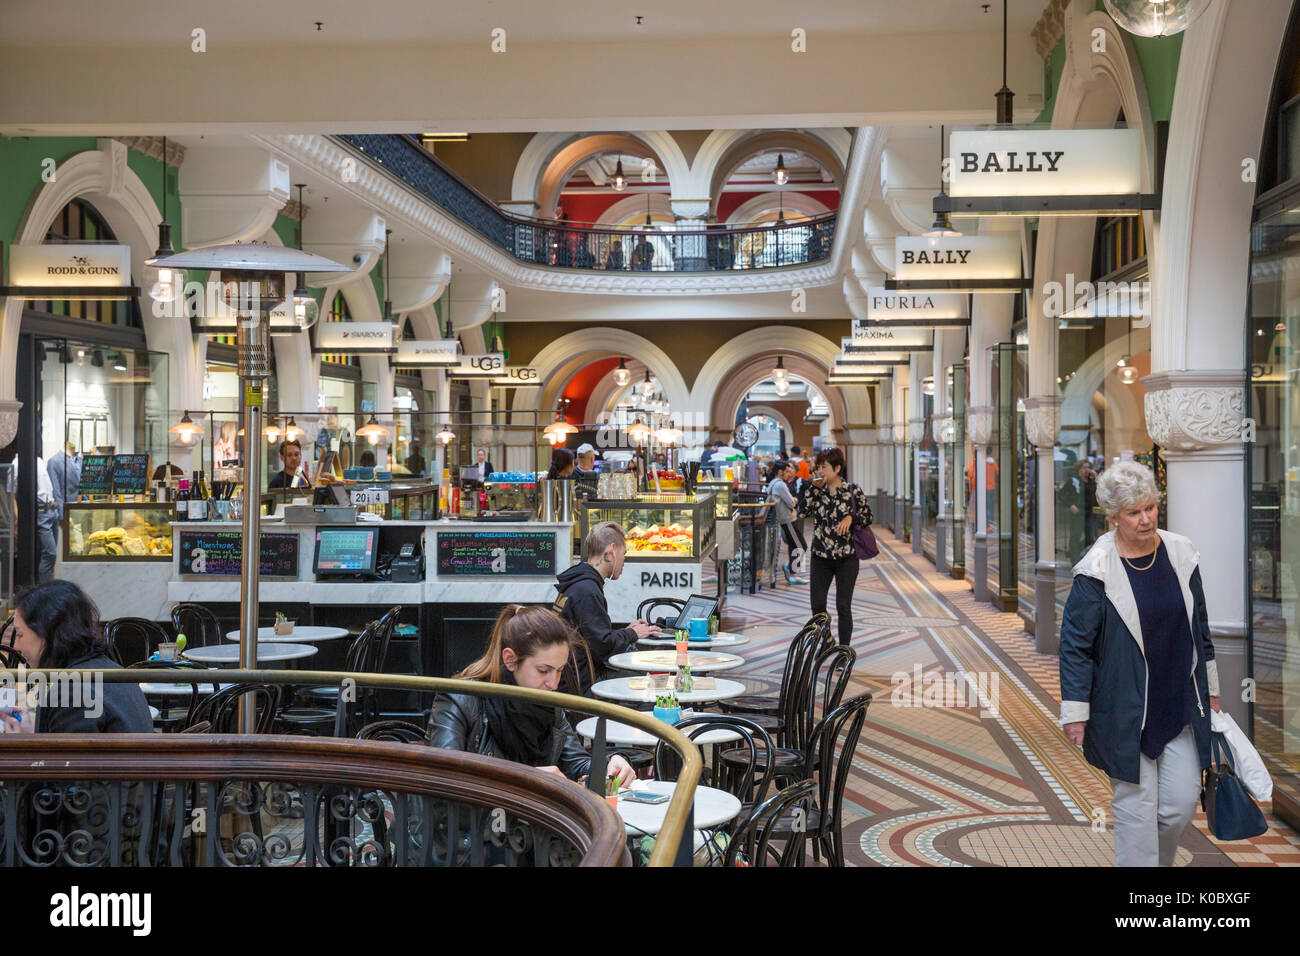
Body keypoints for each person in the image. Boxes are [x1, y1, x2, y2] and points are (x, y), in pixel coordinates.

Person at [1058, 461, 1219, 868]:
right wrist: (1076, 712)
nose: (1146, 519)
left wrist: (1211, 690)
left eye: (1150, 508)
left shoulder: (1181, 552)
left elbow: (1200, 626)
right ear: (1114, 518)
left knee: (1180, 804)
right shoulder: (1096, 571)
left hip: (1179, 703)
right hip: (1124, 710)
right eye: (1134, 512)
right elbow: (1076, 647)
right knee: (1135, 812)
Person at [429, 605, 635, 786]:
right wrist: (526, 779)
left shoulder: (548, 706)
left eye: (560, 670)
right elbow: (445, 779)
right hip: (469, 828)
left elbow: (576, 763)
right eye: (544, 670)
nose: (554, 683)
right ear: (510, 659)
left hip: (529, 827)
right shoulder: (459, 699)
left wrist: (610, 762)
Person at [0, 580, 153, 734]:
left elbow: (64, 758)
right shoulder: (112, 670)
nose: (15, 647)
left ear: (47, 633)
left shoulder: (73, 692)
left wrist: (23, 747)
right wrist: (30, 735)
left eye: (20, 634)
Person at [552, 521, 659, 695]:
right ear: (611, 552)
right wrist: (632, 634)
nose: (624, 561)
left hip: (569, 676)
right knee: (645, 684)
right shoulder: (587, 590)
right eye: (624, 553)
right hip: (581, 684)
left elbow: (593, 637)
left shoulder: (578, 583)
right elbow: (602, 648)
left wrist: (626, 631)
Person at [797, 447, 871, 646]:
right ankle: (827, 639)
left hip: (847, 558)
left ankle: (843, 652)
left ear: (837, 468)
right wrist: (813, 488)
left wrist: (851, 516)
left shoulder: (852, 491)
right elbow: (802, 511)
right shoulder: (816, 490)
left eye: (825, 467)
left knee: (843, 605)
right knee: (817, 605)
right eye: (818, 466)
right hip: (820, 556)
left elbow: (868, 516)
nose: (820, 471)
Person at [767, 459, 808, 585]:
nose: (787, 473)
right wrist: (794, 499)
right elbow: (791, 502)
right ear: (780, 472)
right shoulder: (780, 485)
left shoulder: (773, 483)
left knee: (797, 545)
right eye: (785, 471)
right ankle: (792, 571)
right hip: (788, 520)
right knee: (801, 546)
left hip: (786, 519)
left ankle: (793, 571)